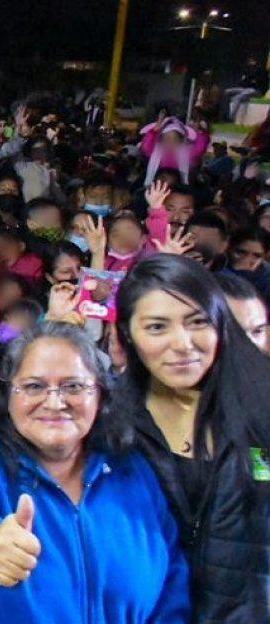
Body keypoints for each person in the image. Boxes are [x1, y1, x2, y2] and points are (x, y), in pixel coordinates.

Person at [0, 323, 189, 623]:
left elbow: (172, 586)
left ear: (101, 394)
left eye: (73, 386)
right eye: (34, 387)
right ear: (7, 394)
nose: (54, 403)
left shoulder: (131, 471)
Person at [114, 253, 270, 622]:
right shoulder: (105, 424)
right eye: (156, 327)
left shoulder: (261, 408)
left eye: (197, 321)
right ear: (127, 335)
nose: (182, 343)